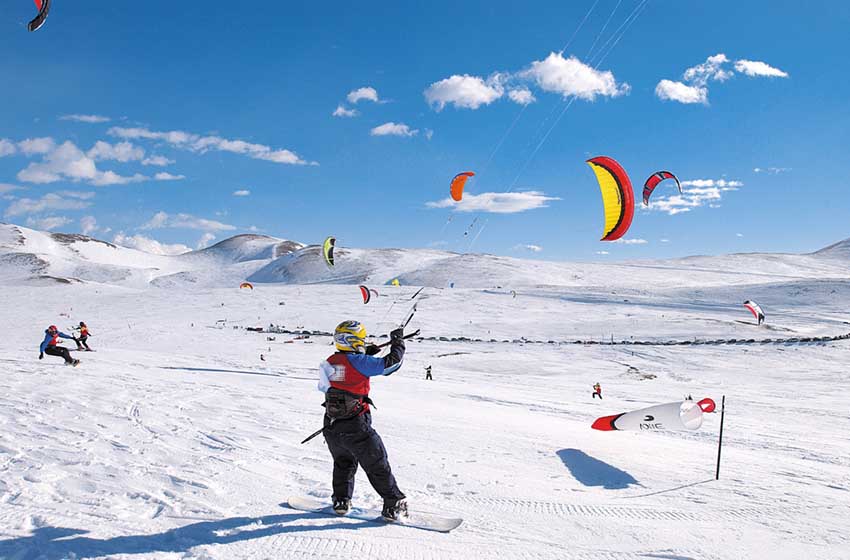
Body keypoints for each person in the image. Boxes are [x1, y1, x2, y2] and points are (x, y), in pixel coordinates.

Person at [317, 320, 407, 521]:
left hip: (331, 424)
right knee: (377, 464)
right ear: (354, 340)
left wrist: (365, 354)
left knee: (343, 462)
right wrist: (398, 343)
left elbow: (331, 381)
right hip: (357, 425)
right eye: (361, 339)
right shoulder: (359, 362)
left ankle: (341, 500)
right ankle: (393, 504)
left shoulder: (329, 361)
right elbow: (392, 364)